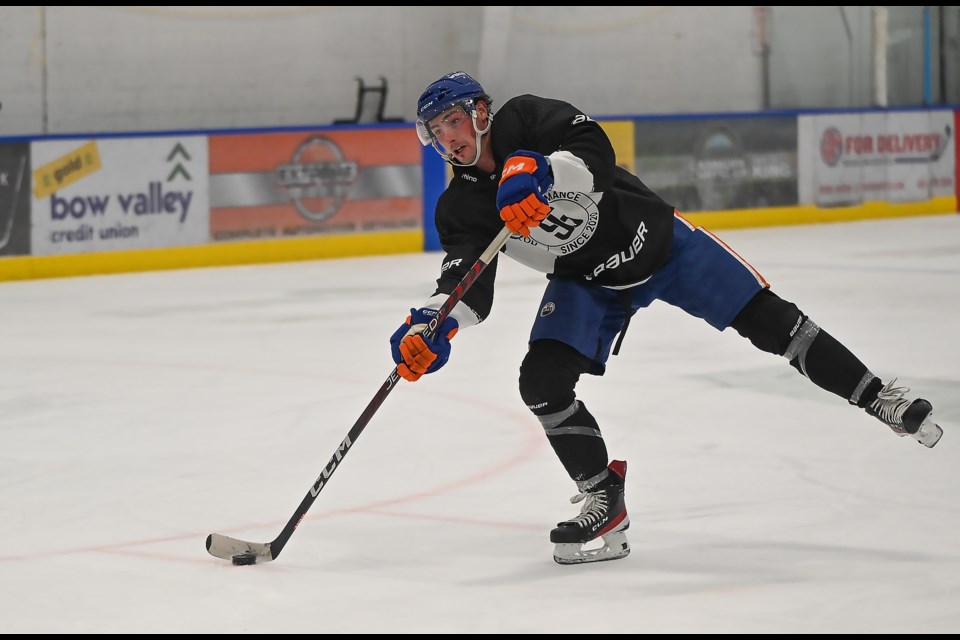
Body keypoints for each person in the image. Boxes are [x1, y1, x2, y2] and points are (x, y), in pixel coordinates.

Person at [388, 71, 944, 565]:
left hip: (659, 242)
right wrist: (432, 325)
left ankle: (879, 397)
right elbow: (466, 282)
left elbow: (594, 151)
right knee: (540, 380)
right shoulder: (460, 206)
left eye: (454, 121)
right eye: (437, 132)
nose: (449, 138)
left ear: (482, 112)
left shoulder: (526, 118)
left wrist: (539, 170)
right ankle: (603, 499)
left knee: (775, 325)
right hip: (590, 281)